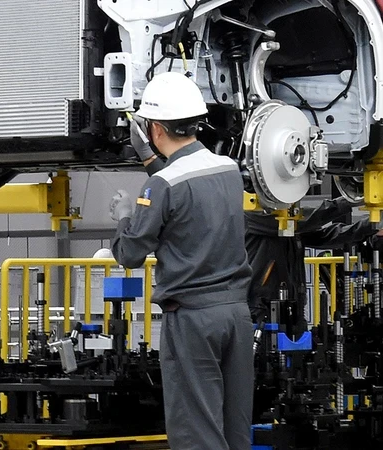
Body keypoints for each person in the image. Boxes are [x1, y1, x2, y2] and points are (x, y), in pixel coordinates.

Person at [110, 71, 254, 450]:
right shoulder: (228, 170)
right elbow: (188, 192)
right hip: (236, 315)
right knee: (233, 426)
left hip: (193, 320)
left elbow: (130, 254)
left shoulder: (161, 186)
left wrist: (125, 215)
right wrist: (149, 162)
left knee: (196, 429)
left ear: (155, 128)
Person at [246, 200, 381, 331]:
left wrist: (372, 224)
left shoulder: (289, 219)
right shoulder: (250, 214)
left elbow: (327, 236)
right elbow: (304, 221)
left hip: (295, 307)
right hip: (261, 309)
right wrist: (349, 201)